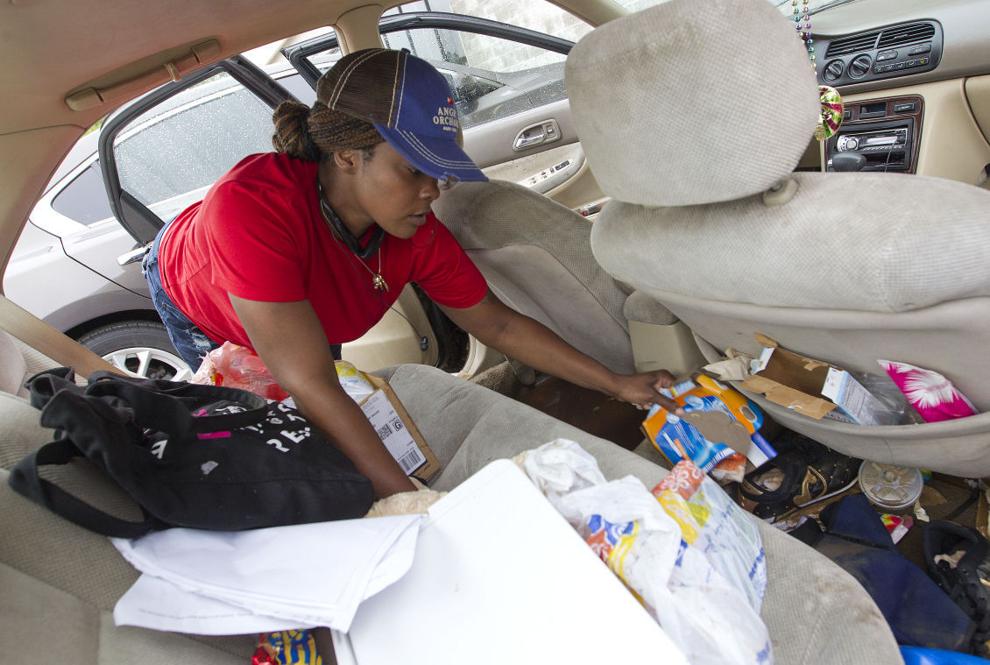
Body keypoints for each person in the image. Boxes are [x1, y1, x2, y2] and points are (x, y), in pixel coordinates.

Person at [143, 48, 679, 498]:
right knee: (276, 439)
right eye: (413, 168)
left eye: (439, 170)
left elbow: (499, 326)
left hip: (302, 318)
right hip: (203, 303)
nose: (433, 189)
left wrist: (616, 382)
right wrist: (412, 502)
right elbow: (310, 380)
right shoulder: (253, 208)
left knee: (328, 412)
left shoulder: (414, 230)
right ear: (348, 156)